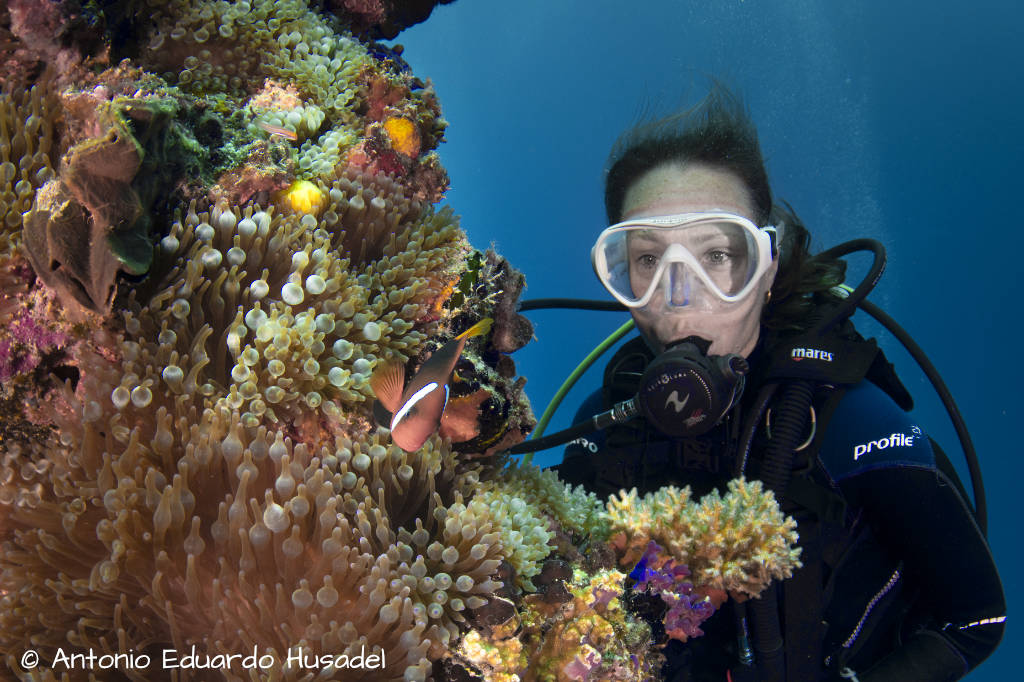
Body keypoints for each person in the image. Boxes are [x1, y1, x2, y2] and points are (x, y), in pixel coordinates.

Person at [555, 85, 1005, 681]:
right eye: (646, 260)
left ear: (766, 269)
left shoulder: (848, 421)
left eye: (716, 255)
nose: (679, 297)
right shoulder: (605, 422)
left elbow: (975, 619)